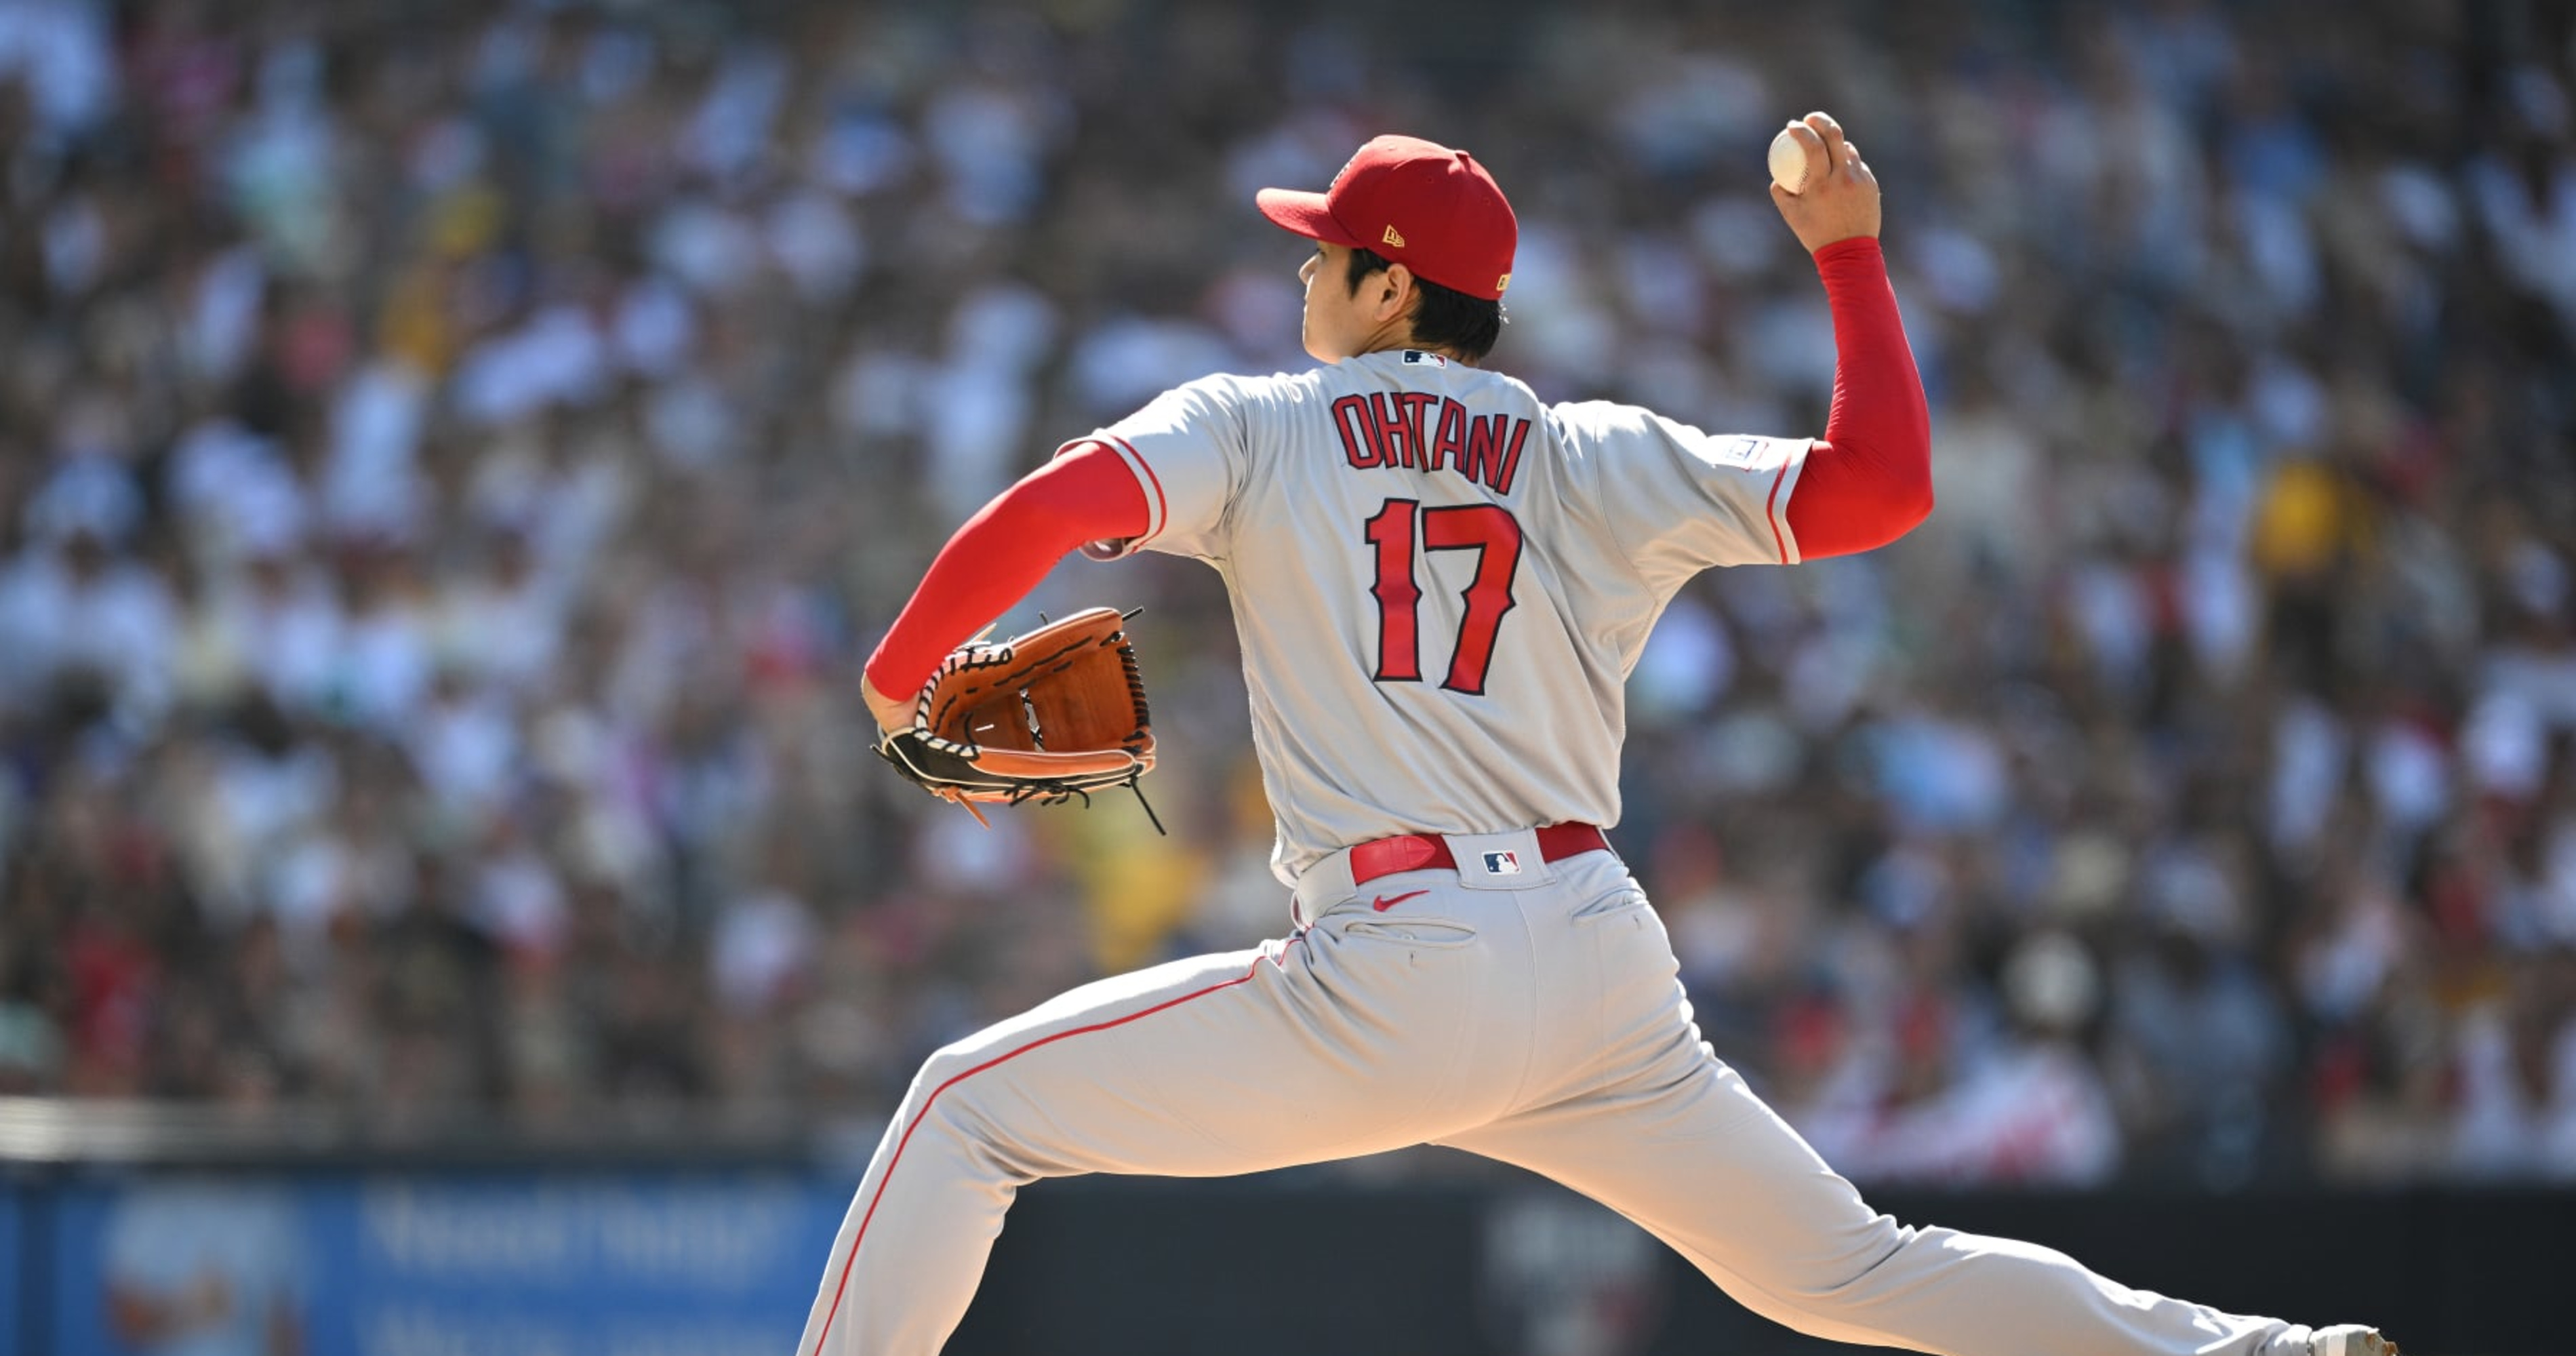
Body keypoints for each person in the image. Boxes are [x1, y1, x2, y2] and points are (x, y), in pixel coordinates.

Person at [802, 115, 2394, 1356]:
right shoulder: (1593, 453)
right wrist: (1847, 257)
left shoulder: (1257, 425)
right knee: (1851, 1269)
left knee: (964, 1107)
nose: (1302, 277)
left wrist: (896, 676)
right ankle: (2246, 1348)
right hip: (1591, 959)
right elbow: (1882, 488)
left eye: (1325, 253)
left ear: (1389, 282)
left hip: (1396, 956)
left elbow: (1065, 501)